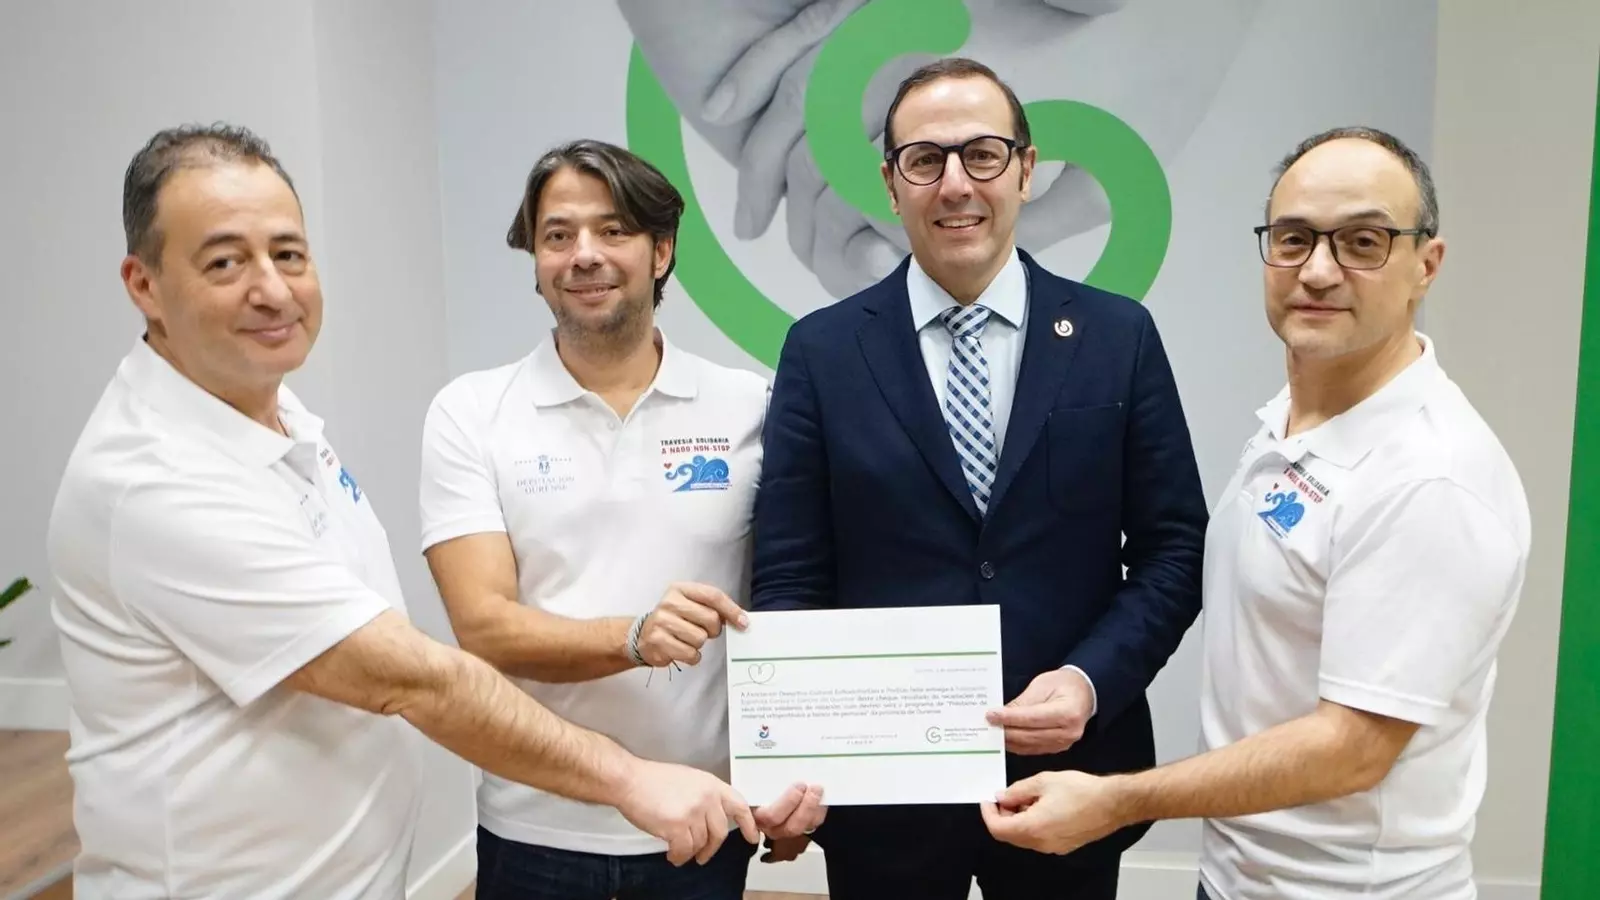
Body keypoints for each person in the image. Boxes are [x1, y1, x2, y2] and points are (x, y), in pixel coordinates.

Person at [45, 124, 758, 900]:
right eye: (224, 262)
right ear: (145, 285)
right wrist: (630, 774)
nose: (273, 290)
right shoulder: (157, 479)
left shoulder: (283, 422)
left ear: (661, 251)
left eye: (288, 254)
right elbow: (413, 677)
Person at [980, 126, 1531, 900]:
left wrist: (1118, 799)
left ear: (1426, 265)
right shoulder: (1297, 424)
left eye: (1363, 242)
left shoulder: (1430, 478)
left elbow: (1352, 748)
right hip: (1245, 876)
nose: (1319, 270)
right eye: (1294, 238)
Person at [749, 56, 1209, 899]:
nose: (955, 183)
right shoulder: (822, 352)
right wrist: (789, 752)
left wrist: (1089, 681)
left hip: (1067, 779)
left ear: (1026, 171)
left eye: (983, 155)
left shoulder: (1118, 338)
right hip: (883, 790)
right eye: (925, 160)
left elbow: (1174, 550)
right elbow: (790, 575)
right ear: (891, 185)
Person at [417, 138, 822, 900]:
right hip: (535, 826)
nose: (584, 255)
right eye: (557, 235)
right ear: (536, 261)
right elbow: (484, 628)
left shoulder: (751, 405)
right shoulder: (471, 412)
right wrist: (633, 637)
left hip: (702, 821)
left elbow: (792, 598)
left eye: (613, 230)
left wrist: (795, 773)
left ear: (661, 251)